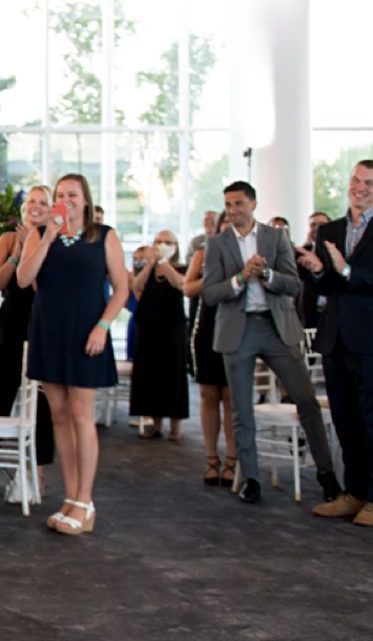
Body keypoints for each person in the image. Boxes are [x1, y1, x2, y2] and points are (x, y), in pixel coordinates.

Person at [202, 182, 337, 504]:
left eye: (238, 203)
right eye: (228, 204)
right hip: (239, 328)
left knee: (306, 400)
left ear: (253, 204)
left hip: (277, 327)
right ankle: (250, 478)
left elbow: (293, 286)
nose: (232, 210)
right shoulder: (217, 244)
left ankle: (326, 474)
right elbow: (210, 294)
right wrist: (241, 278)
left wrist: (267, 276)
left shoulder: (275, 238)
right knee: (242, 410)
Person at [299, 159, 373, 525]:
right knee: (346, 422)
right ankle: (355, 492)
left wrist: (348, 270)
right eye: (356, 179)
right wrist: (320, 272)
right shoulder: (329, 229)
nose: (360, 187)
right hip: (336, 336)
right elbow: (329, 287)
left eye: (369, 182)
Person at [15, 173, 129, 536]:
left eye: (73, 194)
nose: (66, 200)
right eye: (61, 195)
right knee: (59, 416)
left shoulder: (104, 236)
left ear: (85, 198)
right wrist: (47, 236)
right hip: (50, 332)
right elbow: (23, 279)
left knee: (82, 414)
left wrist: (104, 326)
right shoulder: (40, 234)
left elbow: (122, 289)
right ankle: (69, 496)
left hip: (87, 334)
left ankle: (85, 500)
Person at [0, 186, 55, 468]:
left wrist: (35, 249)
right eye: (31, 201)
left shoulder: (53, 241)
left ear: (51, 210)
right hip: (12, 319)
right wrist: (17, 254)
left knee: (41, 397)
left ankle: (37, 467)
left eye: (42, 202)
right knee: (1, 388)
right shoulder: (8, 238)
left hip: (42, 319)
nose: (35, 206)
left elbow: (44, 287)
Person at [183, 214, 237, 484]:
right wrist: (213, 277)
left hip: (236, 328)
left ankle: (232, 460)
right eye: (224, 225)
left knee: (230, 397)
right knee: (208, 395)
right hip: (206, 329)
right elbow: (187, 288)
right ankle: (211, 459)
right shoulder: (203, 253)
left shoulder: (248, 256)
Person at [127, 229, 190, 440]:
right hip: (148, 327)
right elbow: (136, 286)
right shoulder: (148, 268)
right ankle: (154, 422)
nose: (162, 244)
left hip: (172, 329)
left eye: (167, 242)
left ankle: (175, 425)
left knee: (173, 374)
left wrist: (164, 263)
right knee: (150, 374)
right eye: (158, 241)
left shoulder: (181, 267)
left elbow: (180, 284)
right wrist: (150, 265)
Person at [295, 210, 330, 330]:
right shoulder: (301, 252)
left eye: (321, 224)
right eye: (313, 225)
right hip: (308, 310)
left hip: (332, 310)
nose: (317, 228)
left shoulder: (338, 251)